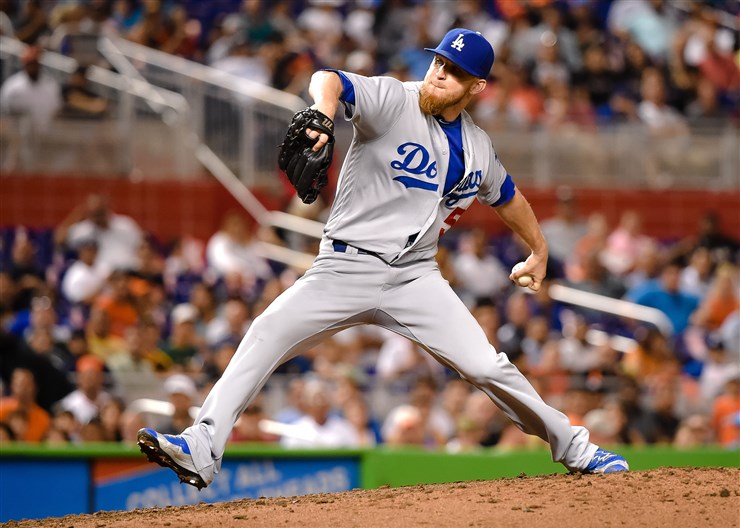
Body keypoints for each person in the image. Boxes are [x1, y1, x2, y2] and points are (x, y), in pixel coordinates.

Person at [138, 28, 628, 489]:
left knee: (487, 367)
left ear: (476, 86)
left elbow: (507, 197)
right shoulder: (394, 99)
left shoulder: (478, 148)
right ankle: (202, 445)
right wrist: (324, 114)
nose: (439, 72)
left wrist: (538, 250)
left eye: (453, 70)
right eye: (438, 60)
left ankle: (577, 450)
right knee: (265, 332)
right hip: (344, 266)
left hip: (416, 277)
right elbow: (329, 78)